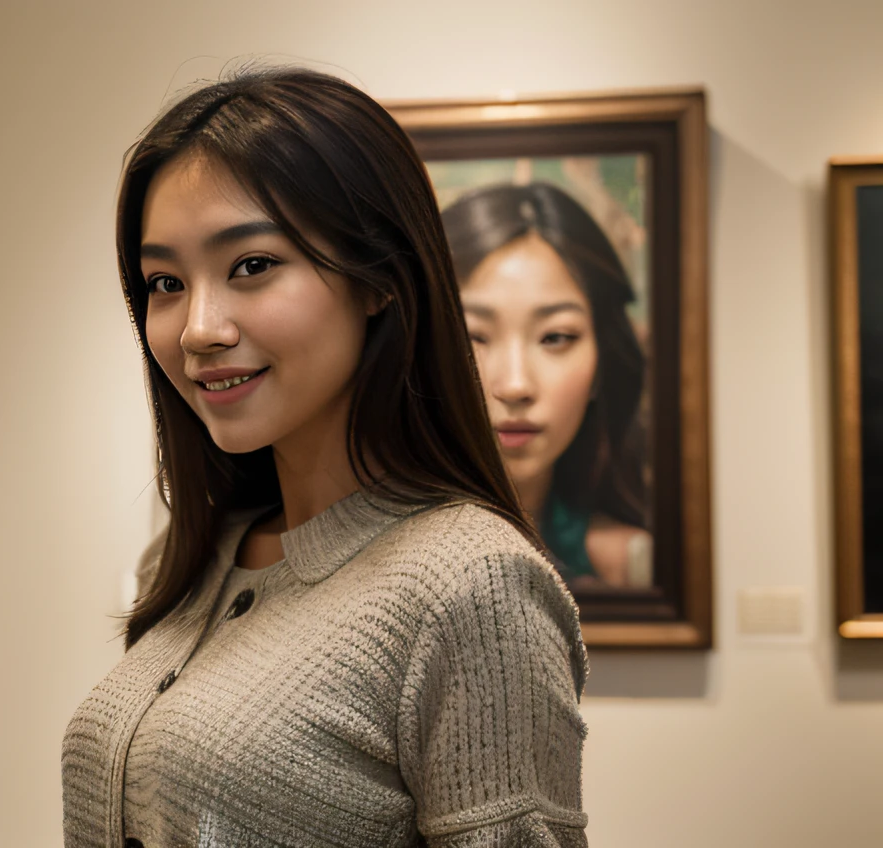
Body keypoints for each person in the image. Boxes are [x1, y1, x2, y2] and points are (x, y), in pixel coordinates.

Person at [61, 67, 589, 848]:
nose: (198, 327)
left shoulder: (471, 587)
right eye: (166, 282)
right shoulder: (194, 556)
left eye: (251, 266)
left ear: (377, 278)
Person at [443, 182, 652, 590]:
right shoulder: (365, 558)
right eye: (473, 337)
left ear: (602, 363)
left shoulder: (629, 566)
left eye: (555, 337)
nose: (516, 385)